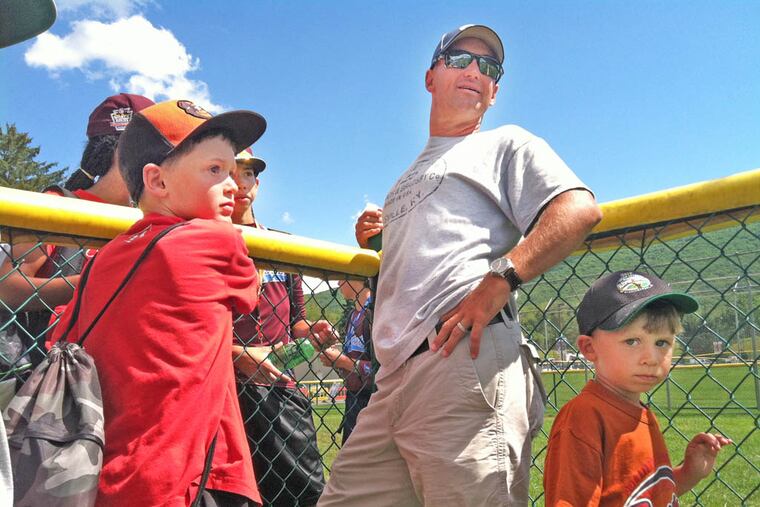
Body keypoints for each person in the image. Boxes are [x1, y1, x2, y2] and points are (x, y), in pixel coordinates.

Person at [319, 24, 603, 506]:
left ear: (494, 92)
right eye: (459, 59)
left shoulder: (506, 143)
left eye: (488, 67)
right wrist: (378, 243)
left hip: (462, 364)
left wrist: (500, 278)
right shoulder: (405, 178)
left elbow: (578, 209)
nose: (475, 70)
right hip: (391, 381)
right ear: (431, 77)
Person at [50, 99, 267, 506]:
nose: (235, 186)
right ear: (158, 181)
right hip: (190, 477)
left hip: (105, 471)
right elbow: (248, 293)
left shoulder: (107, 256)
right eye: (214, 170)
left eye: (234, 171)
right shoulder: (216, 240)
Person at [543, 271, 732, 505]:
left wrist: (688, 473)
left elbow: (645, 495)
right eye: (632, 341)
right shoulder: (584, 418)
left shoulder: (640, 412)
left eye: (662, 343)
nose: (651, 358)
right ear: (590, 348)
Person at [0, 93, 153, 368]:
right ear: (120, 149)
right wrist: (98, 282)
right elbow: (8, 288)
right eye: (151, 146)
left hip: (123, 368)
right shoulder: (60, 205)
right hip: (55, 373)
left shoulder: (151, 222)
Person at [230, 146, 334, 507]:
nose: (240, 183)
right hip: (223, 387)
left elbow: (297, 320)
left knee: (302, 494)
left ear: (257, 183)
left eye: (247, 174)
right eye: (228, 172)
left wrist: (314, 330)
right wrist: (236, 353)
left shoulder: (280, 244)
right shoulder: (203, 241)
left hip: (278, 387)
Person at [319, 279, 374, 444]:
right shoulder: (353, 315)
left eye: (341, 277)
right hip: (353, 402)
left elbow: (384, 369)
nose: (337, 283)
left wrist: (343, 361)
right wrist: (335, 358)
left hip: (372, 403)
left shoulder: (374, 312)